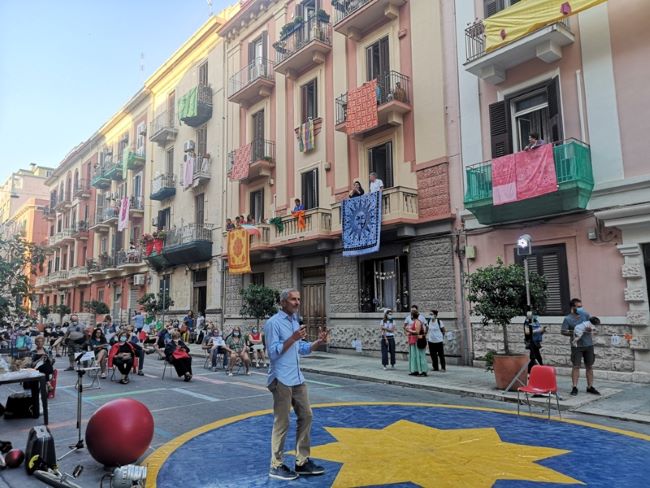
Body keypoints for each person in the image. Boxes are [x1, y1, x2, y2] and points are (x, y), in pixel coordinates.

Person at [264, 289, 328, 480]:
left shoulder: (294, 321)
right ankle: (276, 465)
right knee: (282, 422)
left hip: (297, 378)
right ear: (283, 302)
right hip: (281, 378)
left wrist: (318, 342)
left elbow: (301, 348)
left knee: (307, 416)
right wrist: (293, 338)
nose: (297, 302)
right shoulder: (273, 323)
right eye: (293, 299)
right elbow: (273, 353)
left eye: (299, 299)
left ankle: (302, 461)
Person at [561, 298, 600, 396]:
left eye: (581, 306)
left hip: (588, 345)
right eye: (578, 307)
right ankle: (574, 387)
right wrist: (574, 333)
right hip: (576, 346)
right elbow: (563, 331)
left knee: (589, 366)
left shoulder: (586, 315)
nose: (580, 308)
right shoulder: (567, 319)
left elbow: (593, 327)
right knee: (576, 366)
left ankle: (590, 387)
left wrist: (590, 330)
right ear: (572, 307)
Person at [405, 310, 428, 377]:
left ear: (412, 316)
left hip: (418, 341)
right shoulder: (415, 322)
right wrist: (409, 332)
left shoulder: (417, 322)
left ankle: (423, 371)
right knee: (414, 356)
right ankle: (416, 370)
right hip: (414, 341)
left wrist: (408, 330)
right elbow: (413, 331)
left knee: (420, 356)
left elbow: (417, 332)